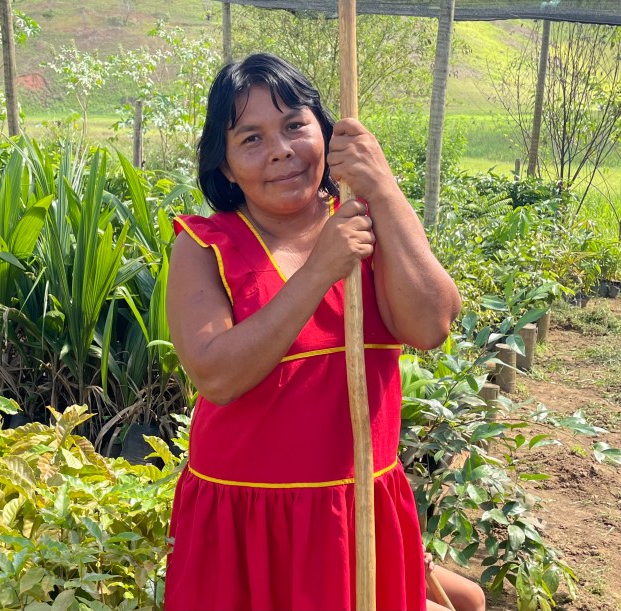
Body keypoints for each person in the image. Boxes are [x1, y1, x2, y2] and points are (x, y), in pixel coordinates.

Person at [164, 53, 462, 611]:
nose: (280, 149)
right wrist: (320, 268)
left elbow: (430, 325)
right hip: (245, 520)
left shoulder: (365, 223)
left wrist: (385, 191)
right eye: (250, 138)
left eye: (295, 125)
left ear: (326, 134)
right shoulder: (202, 246)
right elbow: (217, 375)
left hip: (357, 510)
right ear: (225, 166)